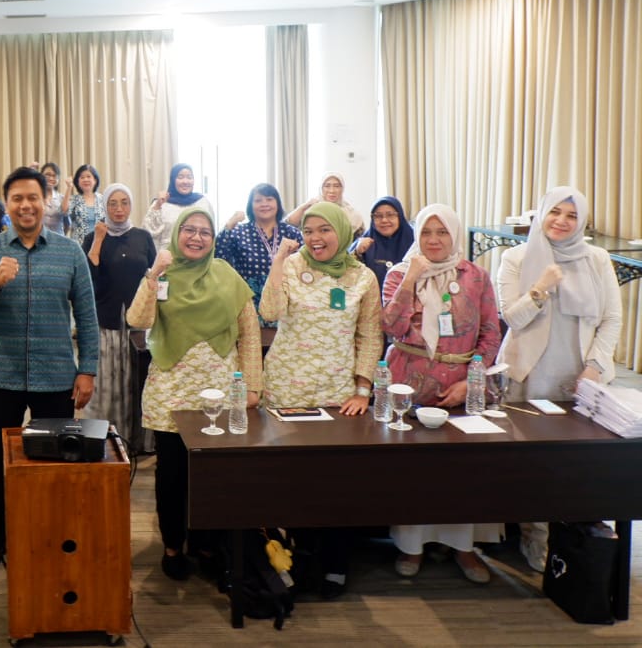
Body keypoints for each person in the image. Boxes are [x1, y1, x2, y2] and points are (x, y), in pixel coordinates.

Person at [0, 167, 99, 572]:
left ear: (46, 202)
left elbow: (87, 315)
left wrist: (87, 369)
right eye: (17, 198)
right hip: (0, 377)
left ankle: (52, 535)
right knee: (1, 464)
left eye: (33, 198)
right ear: (6, 205)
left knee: (56, 463)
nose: (26, 205)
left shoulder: (69, 251)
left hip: (56, 376)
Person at [127, 205, 260, 580]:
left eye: (205, 231)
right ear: (176, 233)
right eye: (189, 229)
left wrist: (252, 387)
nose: (197, 237)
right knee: (172, 476)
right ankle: (173, 547)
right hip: (171, 393)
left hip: (219, 394)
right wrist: (154, 272)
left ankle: (206, 544)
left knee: (213, 475)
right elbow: (137, 320)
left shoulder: (226, 274)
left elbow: (249, 333)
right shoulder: (163, 274)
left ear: (213, 239)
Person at [496, 186, 622, 572]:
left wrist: (595, 366)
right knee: (533, 462)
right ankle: (534, 536)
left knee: (576, 463)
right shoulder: (515, 258)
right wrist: (541, 287)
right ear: (541, 214)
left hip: (581, 377)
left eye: (571, 215)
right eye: (555, 212)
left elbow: (611, 319)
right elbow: (511, 318)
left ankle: (571, 537)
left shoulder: (597, 259)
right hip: (530, 375)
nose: (561, 221)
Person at [258, 201, 381, 598]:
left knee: (334, 485)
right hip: (286, 393)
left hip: (336, 397)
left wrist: (362, 389)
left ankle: (335, 563)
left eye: (324, 229)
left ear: (341, 232)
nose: (315, 238)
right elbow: (269, 310)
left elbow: (370, 336)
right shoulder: (292, 266)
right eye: (308, 230)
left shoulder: (362, 277)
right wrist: (279, 260)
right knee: (291, 483)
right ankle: (299, 559)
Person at [381, 204, 503, 584]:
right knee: (412, 472)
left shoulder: (475, 276)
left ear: (454, 234)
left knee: (463, 471)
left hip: (460, 386)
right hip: (409, 386)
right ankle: (410, 547)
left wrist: (472, 381)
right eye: (426, 232)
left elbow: (490, 333)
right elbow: (391, 327)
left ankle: (463, 547)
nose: (434, 240)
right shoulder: (399, 273)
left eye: (442, 232)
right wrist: (411, 277)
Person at [83, 184, 156, 455]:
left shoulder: (143, 237)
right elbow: (88, 282)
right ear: (104, 207)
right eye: (112, 203)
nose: (119, 209)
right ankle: (110, 443)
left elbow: (155, 276)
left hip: (139, 327)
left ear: (131, 205)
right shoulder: (93, 237)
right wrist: (98, 241)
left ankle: (141, 442)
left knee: (139, 382)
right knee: (110, 387)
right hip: (108, 324)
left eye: (124, 202)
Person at [216, 183, 303, 325]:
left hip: (285, 303)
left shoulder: (292, 233)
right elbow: (219, 258)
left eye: (269, 199)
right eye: (258, 200)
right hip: (249, 305)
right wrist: (228, 226)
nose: (264, 204)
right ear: (251, 206)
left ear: (277, 203)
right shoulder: (239, 232)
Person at [144, 163, 211, 254]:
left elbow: (210, 232)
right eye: (180, 177)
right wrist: (158, 206)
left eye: (189, 177)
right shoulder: (162, 202)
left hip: (195, 254)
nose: (185, 181)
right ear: (173, 179)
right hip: (168, 256)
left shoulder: (202, 202)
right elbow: (148, 233)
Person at [353, 197, 415, 290]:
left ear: (400, 216)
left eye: (390, 215)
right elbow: (346, 274)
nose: (384, 220)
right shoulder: (363, 244)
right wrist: (357, 253)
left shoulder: (414, 242)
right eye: (378, 216)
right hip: (373, 297)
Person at [286, 172, 365, 238]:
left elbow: (359, 239)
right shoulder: (312, 208)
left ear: (342, 189)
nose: (332, 190)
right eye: (327, 186)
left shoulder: (351, 212)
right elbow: (288, 225)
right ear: (321, 188)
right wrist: (304, 206)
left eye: (336, 186)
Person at [64, 163, 105, 244]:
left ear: (95, 180)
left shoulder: (102, 199)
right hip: (79, 245)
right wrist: (69, 188)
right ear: (78, 181)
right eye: (82, 177)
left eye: (88, 177)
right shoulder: (74, 199)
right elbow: (64, 211)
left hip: (100, 244)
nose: (85, 179)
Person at [38, 162, 68, 234]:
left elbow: (67, 223)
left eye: (54, 176)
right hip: (39, 236)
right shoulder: (36, 197)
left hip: (58, 237)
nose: (51, 178)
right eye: (47, 175)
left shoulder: (62, 198)